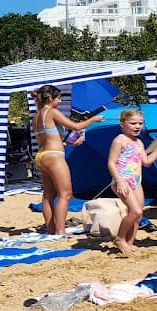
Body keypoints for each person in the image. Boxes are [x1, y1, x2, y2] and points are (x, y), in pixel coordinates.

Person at [34, 85, 97, 236]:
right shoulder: (52, 112)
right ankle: (60, 230)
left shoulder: (37, 116)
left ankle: (51, 229)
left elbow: (49, 138)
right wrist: (93, 119)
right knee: (65, 194)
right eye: (59, 98)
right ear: (50, 98)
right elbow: (75, 126)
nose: (60, 101)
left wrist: (69, 144)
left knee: (48, 195)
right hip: (54, 156)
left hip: (42, 156)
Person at [106, 109, 157, 256]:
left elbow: (146, 162)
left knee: (138, 216)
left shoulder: (139, 142)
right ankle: (120, 239)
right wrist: (119, 181)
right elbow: (111, 163)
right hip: (122, 181)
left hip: (136, 182)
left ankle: (129, 243)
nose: (137, 126)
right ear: (122, 124)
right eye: (133, 123)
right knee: (136, 211)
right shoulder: (119, 140)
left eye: (140, 123)